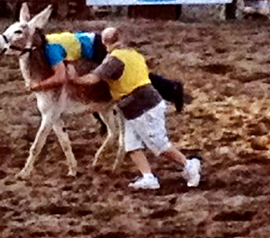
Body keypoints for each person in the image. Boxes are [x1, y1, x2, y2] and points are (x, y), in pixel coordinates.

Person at [67, 27, 201, 190]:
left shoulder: (113, 60)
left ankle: (189, 165)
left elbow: (93, 78)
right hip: (137, 106)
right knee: (131, 145)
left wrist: (75, 79)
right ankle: (148, 177)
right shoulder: (133, 54)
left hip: (143, 106)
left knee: (159, 144)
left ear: (104, 43)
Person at [28, 30, 186, 113]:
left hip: (96, 46)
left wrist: (38, 85)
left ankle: (171, 88)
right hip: (91, 43)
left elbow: (60, 76)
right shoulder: (49, 41)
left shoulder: (50, 50)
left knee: (121, 72)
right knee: (99, 84)